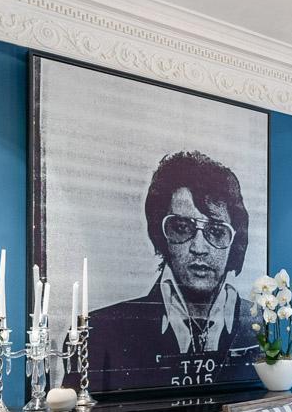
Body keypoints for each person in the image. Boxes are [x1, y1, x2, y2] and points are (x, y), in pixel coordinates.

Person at [85, 150, 261, 391]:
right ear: (162, 235)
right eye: (182, 227)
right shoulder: (100, 333)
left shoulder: (263, 326)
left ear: (234, 242)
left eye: (216, 231)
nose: (199, 248)